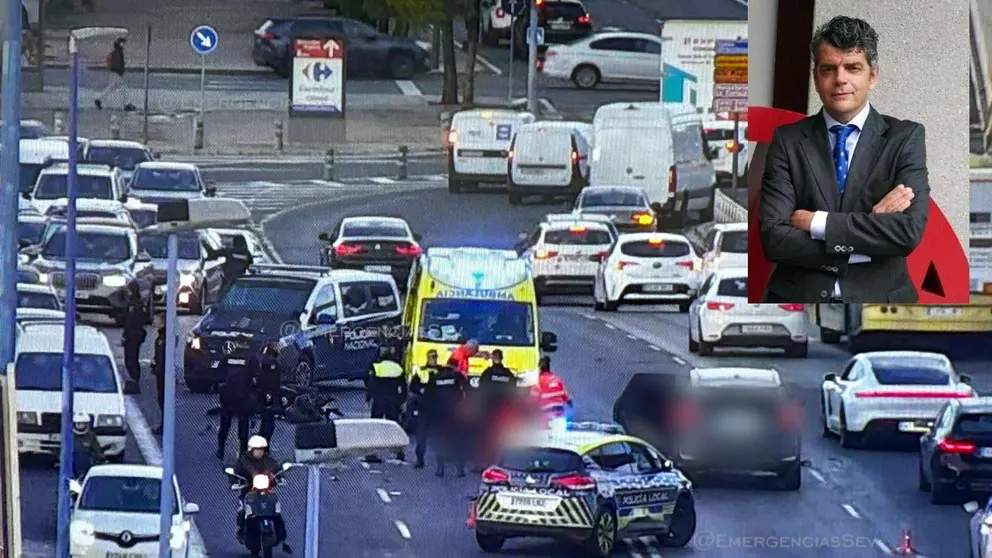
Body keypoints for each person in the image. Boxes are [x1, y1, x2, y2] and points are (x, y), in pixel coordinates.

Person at [757, 16, 929, 303]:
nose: (840, 79)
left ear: (872, 76)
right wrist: (868, 236)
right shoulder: (787, 141)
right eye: (829, 69)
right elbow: (774, 239)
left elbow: (907, 233)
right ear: (815, 77)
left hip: (882, 302)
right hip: (795, 299)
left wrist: (818, 223)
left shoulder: (905, 138)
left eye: (852, 68)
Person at [232, 436, 291, 553]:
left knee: (276, 512)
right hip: (248, 492)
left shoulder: (269, 460)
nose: (259, 452)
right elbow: (235, 473)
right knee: (243, 510)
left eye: (261, 449)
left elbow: (277, 468)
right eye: (256, 449)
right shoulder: (243, 461)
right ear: (251, 450)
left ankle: (283, 539)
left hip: (266, 492)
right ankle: (242, 531)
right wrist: (234, 482)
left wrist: (281, 477)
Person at [421, 363, 468, 477]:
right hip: (455, 412)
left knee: (441, 441)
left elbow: (428, 396)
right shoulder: (456, 376)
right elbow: (467, 388)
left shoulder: (435, 378)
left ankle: (440, 469)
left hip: (440, 413)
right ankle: (460, 469)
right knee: (457, 441)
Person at [364, 345, 407, 463]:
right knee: (394, 428)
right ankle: (399, 452)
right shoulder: (398, 368)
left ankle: (371, 453)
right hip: (393, 401)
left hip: (379, 401)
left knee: (374, 427)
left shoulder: (377, 367)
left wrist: (368, 398)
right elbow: (403, 387)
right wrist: (401, 400)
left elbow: (371, 385)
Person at [476, 349, 517, 468]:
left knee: (485, 437)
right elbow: (513, 392)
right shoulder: (508, 374)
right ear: (502, 358)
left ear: (494, 358)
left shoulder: (488, 373)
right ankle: (501, 462)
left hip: (488, 409)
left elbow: (481, 389)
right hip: (503, 411)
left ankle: (484, 462)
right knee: (502, 437)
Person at [408, 349, 443, 468]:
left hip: (438, 407)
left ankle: (440, 462)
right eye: (431, 357)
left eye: (435, 357)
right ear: (427, 358)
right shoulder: (421, 371)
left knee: (440, 436)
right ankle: (420, 459)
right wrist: (421, 390)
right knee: (421, 435)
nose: (433, 359)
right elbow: (413, 386)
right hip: (424, 407)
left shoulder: (441, 371)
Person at [217, 358, 253, 460]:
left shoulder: (228, 355)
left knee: (225, 423)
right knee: (243, 424)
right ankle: (243, 451)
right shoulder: (250, 355)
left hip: (227, 396)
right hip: (243, 396)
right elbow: (256, 376)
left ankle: (221, 450)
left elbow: (219, 375)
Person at [249, 342, 282, 443]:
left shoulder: (262, 361)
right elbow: (273, 381)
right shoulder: (272, 363)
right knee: (268, 423)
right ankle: (263, 443)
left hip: (261, 394)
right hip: (268, 395)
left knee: (266, 420)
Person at [95, 37, 135, 112]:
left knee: (112, 87)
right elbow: (118, 63)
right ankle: (125, 105)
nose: (124, 45)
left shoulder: (117, 51)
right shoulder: (117, 52)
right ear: (119, 43)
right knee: (123, 87)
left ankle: (99, 99)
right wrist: (119, 70)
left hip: (115, 72)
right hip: (116, 73)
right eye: (122, 43)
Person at [120, 281, 146, 394]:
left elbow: (131, 322)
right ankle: (133, 381)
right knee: (130, 359)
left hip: (133, 336)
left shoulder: (135, 305)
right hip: (133, 335)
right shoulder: (133, 304)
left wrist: (126, 335)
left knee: (131, 360)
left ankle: (134, 382)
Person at [71, 413, 109, 479]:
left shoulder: (91, 436)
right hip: (72, 468)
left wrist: (102, 458)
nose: (81, 426)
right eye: (79, 424)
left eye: (83, 424)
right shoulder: (69, 436)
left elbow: (97, 450)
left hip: (86, 466)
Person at [150, 314, 168, 434]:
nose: (154, 322)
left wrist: (159, 368)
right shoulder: (160, 338)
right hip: (160, 373)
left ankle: (165, 425)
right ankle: (163, 423)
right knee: (161, 399)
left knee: (163, 400)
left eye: (157, 320)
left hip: (163, 375)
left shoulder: (164, 339)